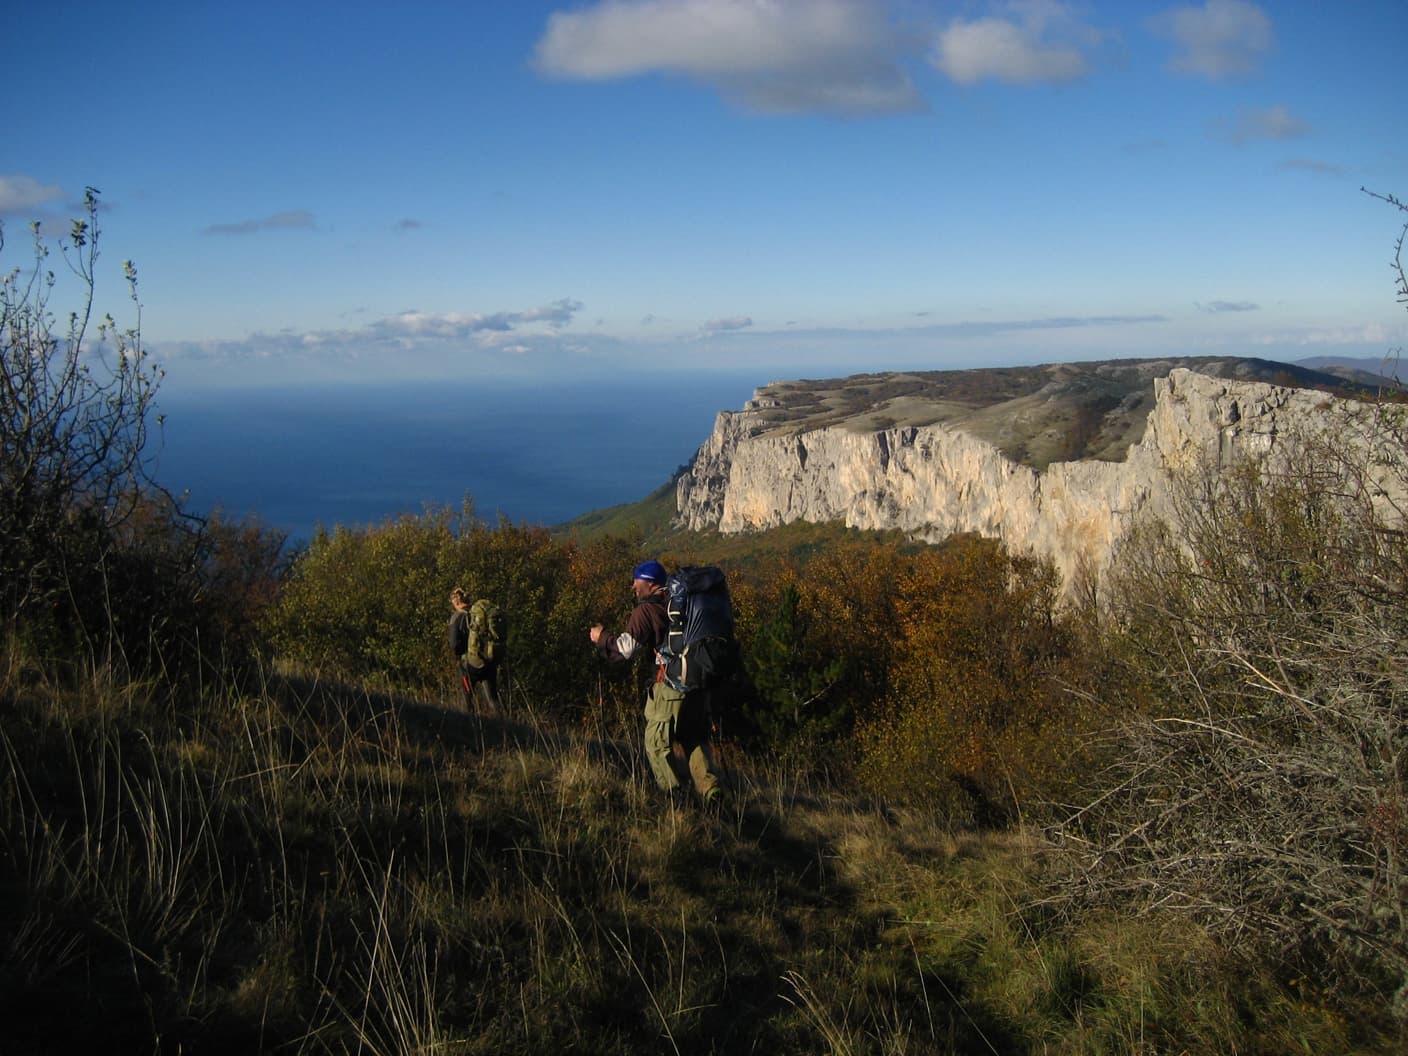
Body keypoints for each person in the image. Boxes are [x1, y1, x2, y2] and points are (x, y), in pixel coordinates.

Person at [590, 560, 722, 804]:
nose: (632, 586)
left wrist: (601, 638)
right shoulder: (678, 603)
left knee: (656, 743)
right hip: (698, 682)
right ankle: (711, 791)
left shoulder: (646, 610)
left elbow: (625, 649)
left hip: (670, 685)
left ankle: (674, 798)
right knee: (693, 737)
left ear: (649, 583)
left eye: (636, 581)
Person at [448, 587, 502, 716]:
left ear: (455, 602)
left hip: (468, 665)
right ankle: (504, 728)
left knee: (466, 699)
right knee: (493, 700)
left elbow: (454, 644)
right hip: (488, 660)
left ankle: (469, 729)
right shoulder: (478, 614)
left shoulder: (456, 618)